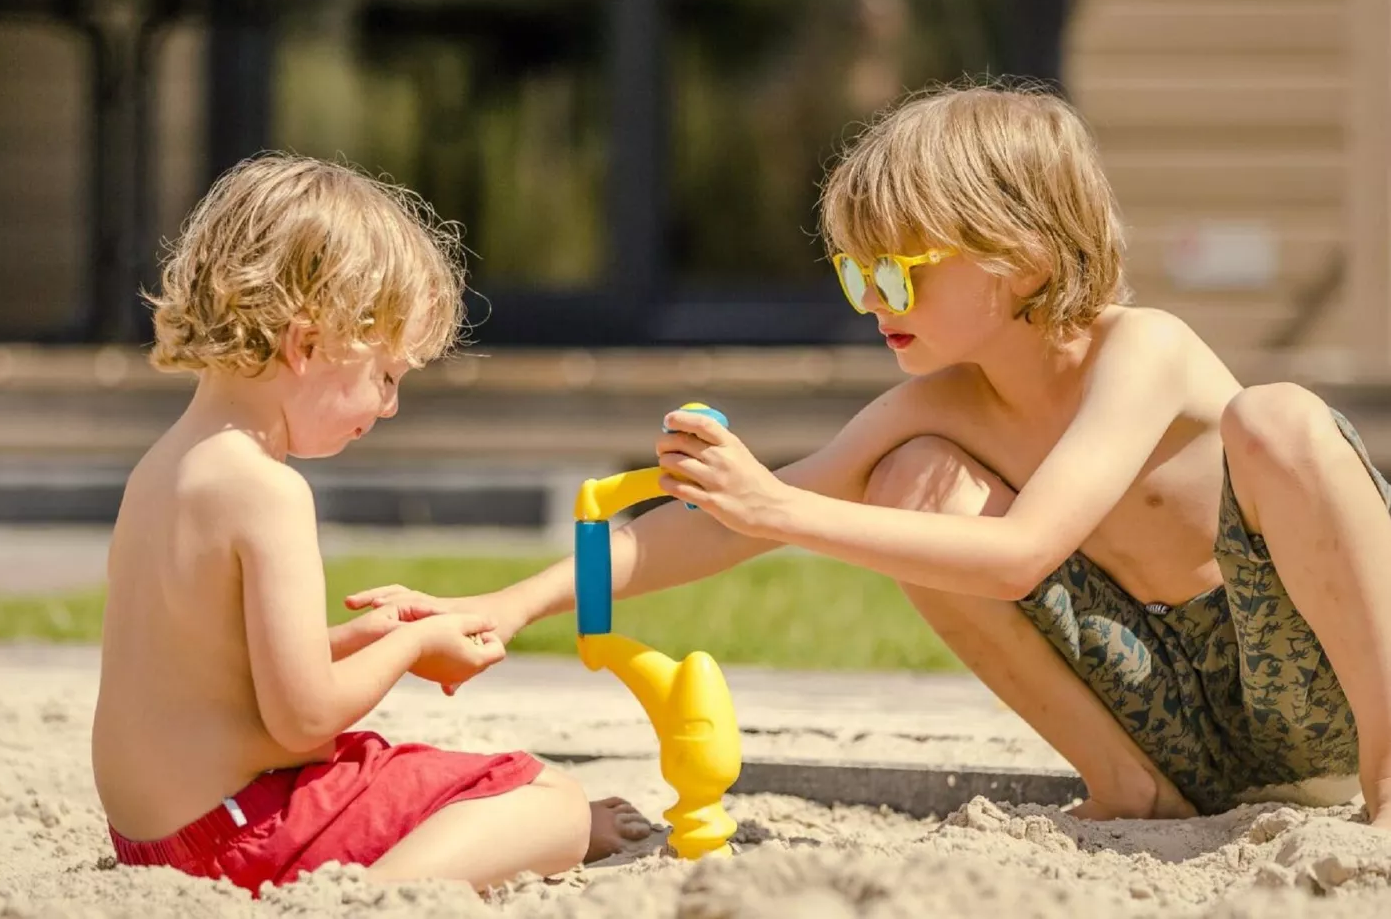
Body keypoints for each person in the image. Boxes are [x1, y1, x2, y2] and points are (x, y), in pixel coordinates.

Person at [349, 84, 1391, 828]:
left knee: (1281, 419)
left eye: (895, 275)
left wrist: (779, 509)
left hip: (1314, 680)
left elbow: (1022, 552)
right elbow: (716, 522)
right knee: (911, 483)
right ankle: (1131, 789)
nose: (870, 304)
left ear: (1018, 258)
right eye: (854, 277)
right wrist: (507, 605)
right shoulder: (940, 405)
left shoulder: (1142, 351)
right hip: (1168, 715)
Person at [91, 154, 650, 898]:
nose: (388, 406)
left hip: (154, 842)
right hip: (240, 833)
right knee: (552, 799)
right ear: (307, 344)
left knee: (435, 774)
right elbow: (305, 722)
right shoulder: (269, 492)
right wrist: (416, 641)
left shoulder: (162, 469)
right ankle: (365, 900)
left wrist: (361, 642)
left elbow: (204, 672)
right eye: (387, 375)